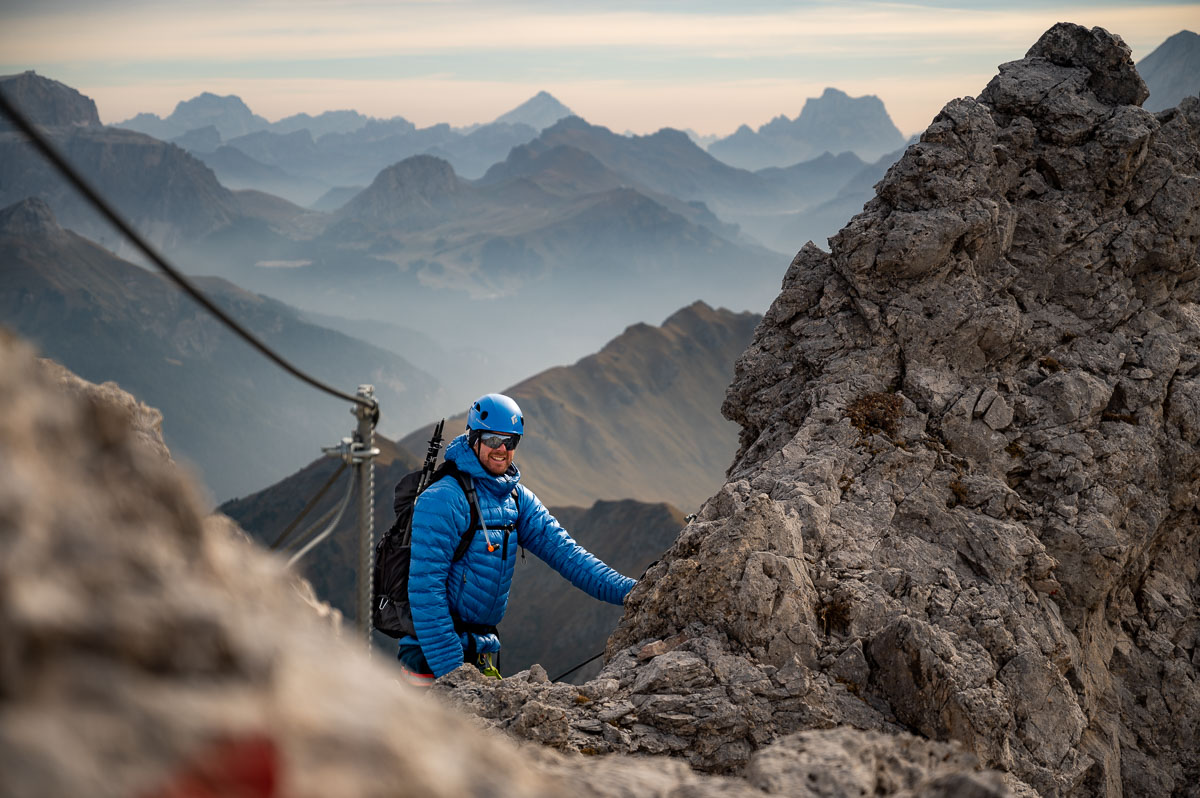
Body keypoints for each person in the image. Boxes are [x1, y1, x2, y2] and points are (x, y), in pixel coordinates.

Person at [398, 393, 636, 684]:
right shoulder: (443, 499)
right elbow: (425, 592)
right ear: (473, 438)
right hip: (430, 656)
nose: (502, 449)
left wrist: (634, 591)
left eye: (510, 441)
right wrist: (454, 676)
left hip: (479, 652)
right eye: (493, 439)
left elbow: (570, 556)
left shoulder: (516, 499)